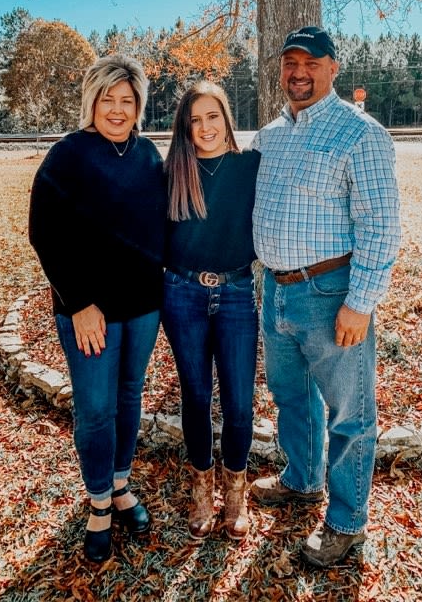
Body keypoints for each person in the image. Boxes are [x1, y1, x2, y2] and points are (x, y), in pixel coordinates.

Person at [250, 26, 401, 567]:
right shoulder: (269, 136)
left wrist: (360, 303)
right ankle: (302, 478)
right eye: (290, 62)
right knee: (291, 397)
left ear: (333, 68)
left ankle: (346, 521)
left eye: (310, 62)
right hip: (277, 289)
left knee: (350, 414)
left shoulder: (361, 134)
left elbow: (381, 228)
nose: (298, 72)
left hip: (332, 292)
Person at [28, 55, 166, 563]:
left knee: (129, 396)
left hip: (144, 307)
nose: (116, 108)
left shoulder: (148, 155)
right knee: (94, 407)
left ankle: (122, 484)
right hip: (90, 313)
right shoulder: (69, 155)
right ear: (92, 100)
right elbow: (44, 234)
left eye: (126, 100)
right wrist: (79, 302)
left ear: (138, 107)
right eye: (107, 98)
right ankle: (99, 503)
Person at [162, 81, 260, 541]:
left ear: (227, 117)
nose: (205, 127)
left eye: (213, 116)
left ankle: (235, 496)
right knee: (196, 397)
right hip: (183, 295)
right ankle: (202, 489)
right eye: (195, 120)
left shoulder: (250, 167)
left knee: (240, 403)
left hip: (238, 293)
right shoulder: (173, 172)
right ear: (186, 127)